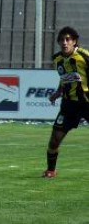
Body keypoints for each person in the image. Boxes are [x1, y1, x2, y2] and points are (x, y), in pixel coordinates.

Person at [43, 26, 89, 178]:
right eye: (62, 39)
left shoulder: (84, 56)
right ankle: (50, 170)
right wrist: (57, 93)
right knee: (54, 140)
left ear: (74, 41)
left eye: (68, 39)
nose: (65, 42)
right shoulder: (57, 59)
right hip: (69, 106)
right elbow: (65, 78)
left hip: (87, 103)